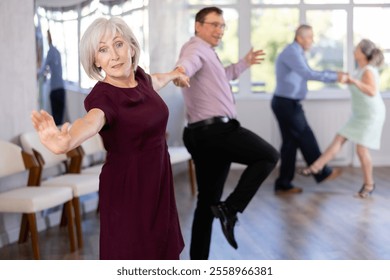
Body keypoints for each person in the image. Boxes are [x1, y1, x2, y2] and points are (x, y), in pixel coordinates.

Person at [31, 17, 190, 260]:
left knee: (162, 251)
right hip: (128, 187)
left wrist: (174, 74)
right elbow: (91, 121)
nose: (114, 56)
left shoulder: (141, 79)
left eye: (118, 44)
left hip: (158, 180)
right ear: (95, 60)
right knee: (133, 254)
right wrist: (66, 141)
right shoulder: (103, 97)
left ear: (132, 47)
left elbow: (155, 80)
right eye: (103, 50)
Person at [174, 6, 279, 260]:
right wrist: (180, 72)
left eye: (222, 26)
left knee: (206, 202)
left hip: (200, 133)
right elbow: (187, 64)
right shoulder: (196, 48)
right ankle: (230, 209)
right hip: (216, 131)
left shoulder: (208, 53)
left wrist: (244, 64)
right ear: (198, 25)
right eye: (214, 25)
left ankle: (198, 264)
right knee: (268, 156)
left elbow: (221, 76)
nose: (219, 31)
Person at [299, 39, 386, 198]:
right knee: (339, 137)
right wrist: (345, 78)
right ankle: (316, 167)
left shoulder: (368, 70)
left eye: (357, 48)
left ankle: (369, 185)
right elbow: (357, 85)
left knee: (361, 150)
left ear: (363, 53)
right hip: (360, 114)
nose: (354, 50)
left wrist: (352, 80)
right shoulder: (360, 69)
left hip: (371, 115)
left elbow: (372, 91)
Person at [271, 24, 345, 195]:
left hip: (287, 102)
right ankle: (322, 171)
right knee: (305, 134)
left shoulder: (296, 52)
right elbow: (308, 74)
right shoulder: (292, 52)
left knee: (290, 144)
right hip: (286, 103)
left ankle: (283, 184)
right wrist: (335, 76)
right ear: (300, 38)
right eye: (310, 37)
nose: (312, 41)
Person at [37, 30, 66, 125]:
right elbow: (55, 68)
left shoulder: (50, 52)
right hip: (62, 89)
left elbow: (42, 70)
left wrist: (38, 73)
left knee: (56, 120)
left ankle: (57, 138)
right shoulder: (57, 52)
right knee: (60, 119)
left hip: (55, 90)